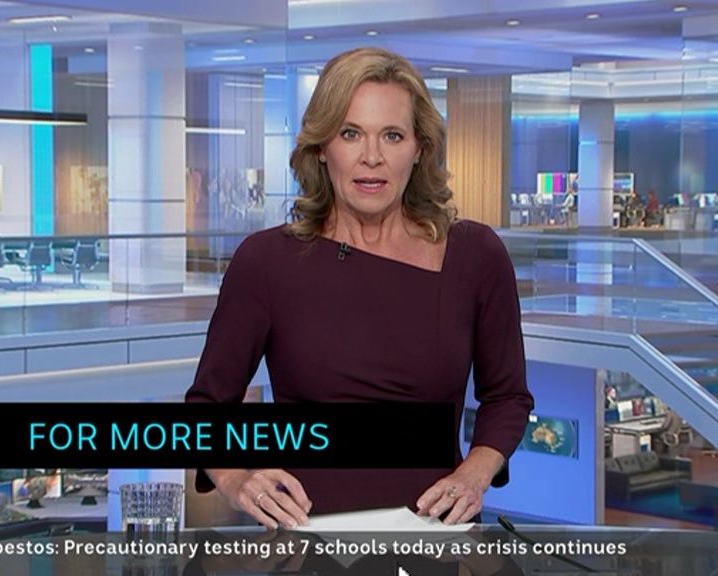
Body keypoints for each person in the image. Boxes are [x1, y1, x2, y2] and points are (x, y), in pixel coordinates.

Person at [186, 47, 533, 529]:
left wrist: (473, 476)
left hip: (432, 541)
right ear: (321, 147)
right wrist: (234, 478)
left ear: (419, 149)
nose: (372, 157)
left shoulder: (476, 255)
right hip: (307, 544)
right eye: (350, 133)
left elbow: (508, 397)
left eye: (393, 135)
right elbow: (207, 407)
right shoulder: (266, 262)